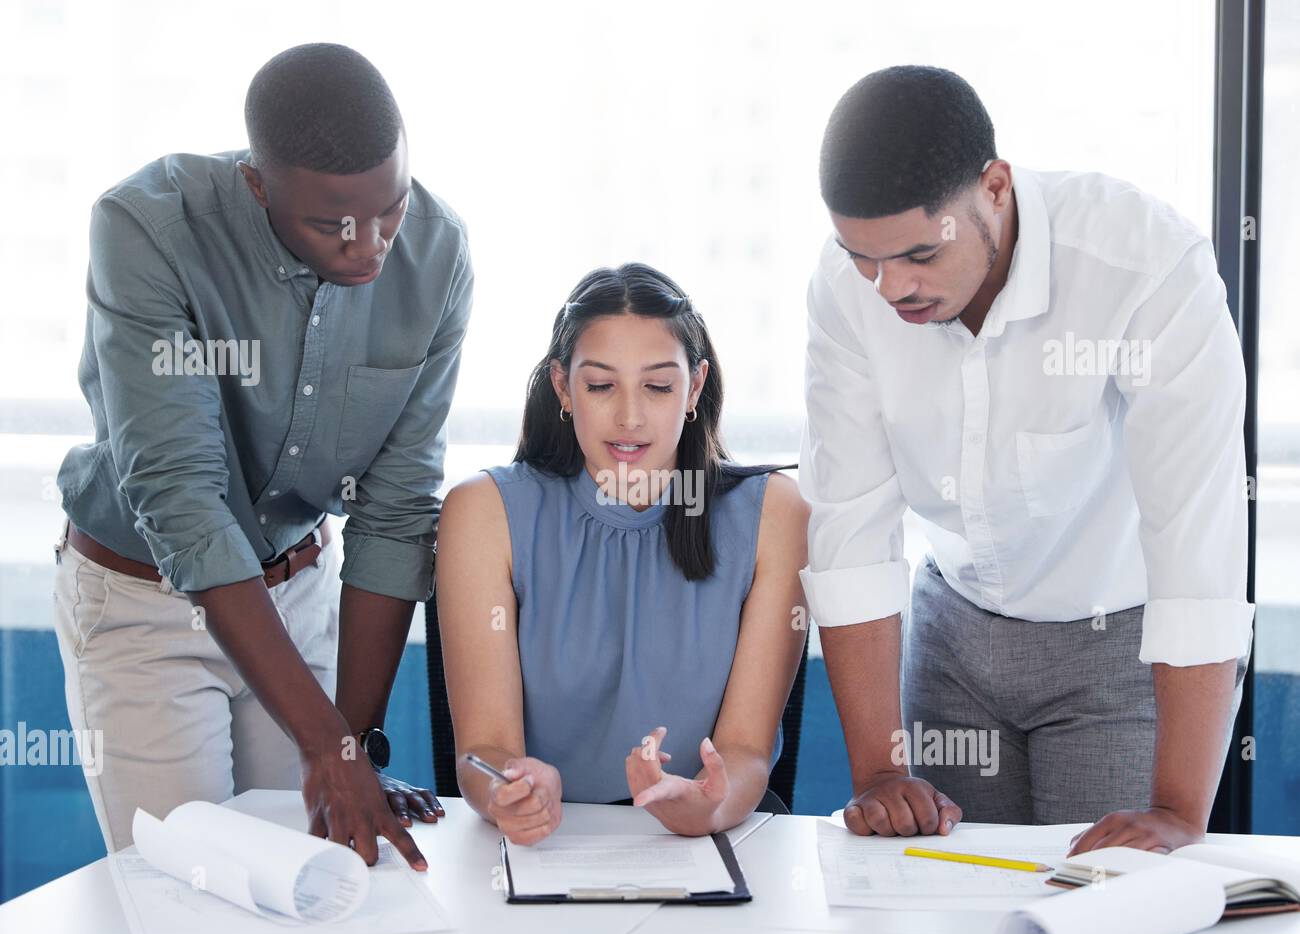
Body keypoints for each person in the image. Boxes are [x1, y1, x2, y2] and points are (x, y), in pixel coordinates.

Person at [800, 66, 1252, 854]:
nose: (889, 289)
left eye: (915, 255)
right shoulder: (847, 287)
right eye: (864, 258)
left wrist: (1180, 814)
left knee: (1102, 904)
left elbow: (1197, 545)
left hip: (1115, 638)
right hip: (955, 634)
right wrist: (878, 772)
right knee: (952, 913)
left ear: (996, 188)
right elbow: (852, 530)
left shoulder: (1144, 263)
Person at [52, 43, 472, 869]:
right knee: (198, 896)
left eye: (388, 211)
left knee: (326, 881)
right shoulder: (147, 230)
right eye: (331, 225)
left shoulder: (439, 253)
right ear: (256, 182)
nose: (370, 249)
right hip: (147, 604)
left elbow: (396, 509)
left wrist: (349, 745)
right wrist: (328, 745)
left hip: (297, 590)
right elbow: (182, 498)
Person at [436, 263, 809, 844]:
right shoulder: (484, 511)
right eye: (600, 385)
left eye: (658, 386)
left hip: (702, 845)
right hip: (549, 848)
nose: (630, 416)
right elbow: (482, 752)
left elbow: (746, 753)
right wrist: (510, 789)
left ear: (695, 387)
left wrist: (708, 807)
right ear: (563, 387)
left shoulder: (775, 516)